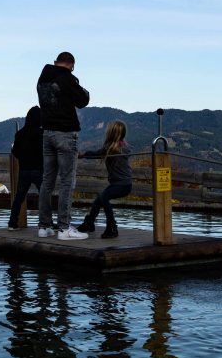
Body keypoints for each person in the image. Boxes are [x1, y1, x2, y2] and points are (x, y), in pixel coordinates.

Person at [36, 51, 90, 240]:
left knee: (47, 181)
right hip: (66, 134)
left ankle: (44, 226)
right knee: (67, 181)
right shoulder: (68, 78)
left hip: (47, 133)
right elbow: (83, 100)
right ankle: (64, 229)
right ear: (71, 64)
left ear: (55, 62)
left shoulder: (42, 78)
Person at [76, 120, 133, 239]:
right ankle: (89, 223)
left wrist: (84, 154)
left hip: (123, 185)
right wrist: (85, 154)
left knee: (103, 197)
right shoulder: (119, 147)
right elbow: (97, 153)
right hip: (120, 184)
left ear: (111, 134)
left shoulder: (114, 149)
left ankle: (112, 227)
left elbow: (97, 153)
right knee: (99, 199)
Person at [8, 106, 44, 230]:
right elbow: (45, 151)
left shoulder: (20, 134)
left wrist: (23, 160)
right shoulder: (41, 133)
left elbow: (15, 151)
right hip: (38, 170)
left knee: (19, 197)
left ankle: (12, 223)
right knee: (44, 196)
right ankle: (46, 223)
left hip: (24, 170)